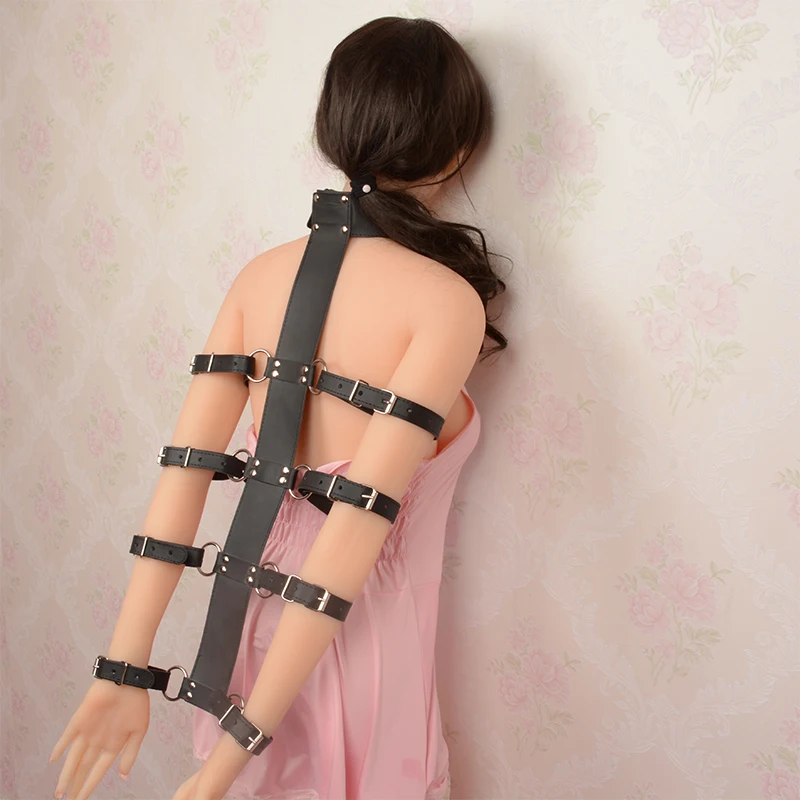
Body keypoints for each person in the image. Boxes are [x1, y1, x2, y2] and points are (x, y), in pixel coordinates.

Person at [49, 15, 508, 800]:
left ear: (335, 129)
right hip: (361, 650)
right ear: (459, 148)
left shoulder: (258, 278)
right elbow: (352, 531)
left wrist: (124, 670)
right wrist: (235, 748)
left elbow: (182, 482)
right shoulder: (444, 302)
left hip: (252, 632)